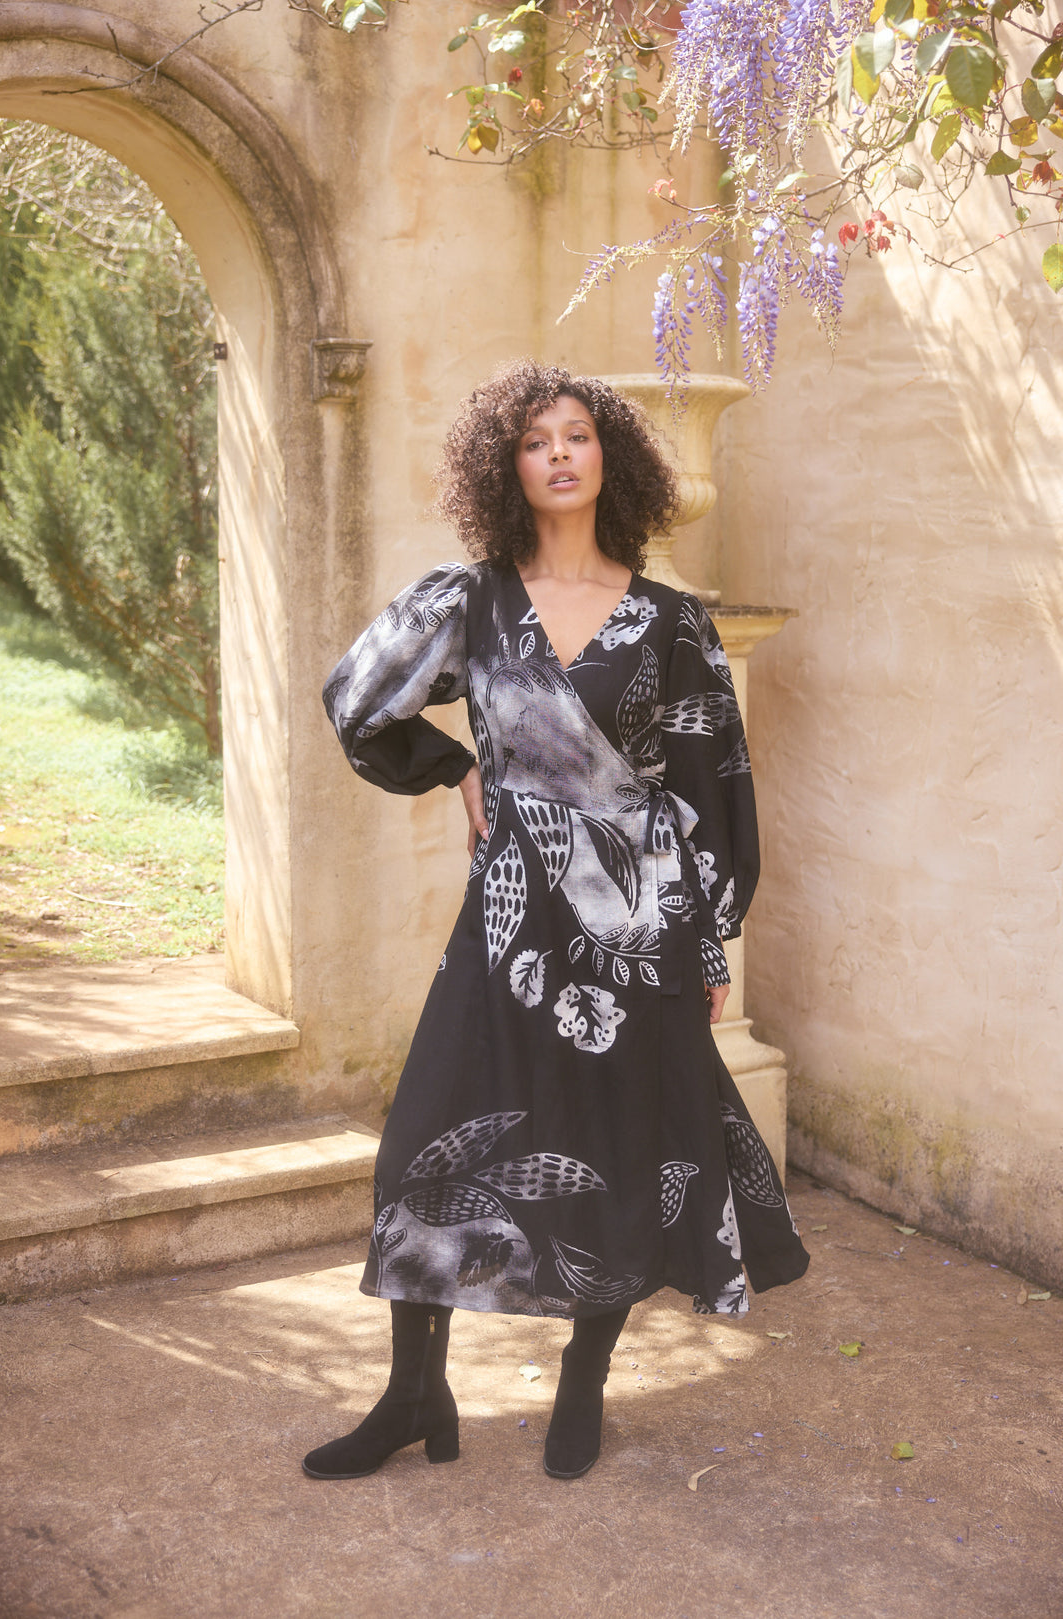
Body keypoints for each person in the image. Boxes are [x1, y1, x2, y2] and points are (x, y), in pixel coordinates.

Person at [306, 360, 809, 1483]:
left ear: (611, 458)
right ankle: (411, 1393)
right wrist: (453, 768)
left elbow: (714, 786)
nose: (561, 454)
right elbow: (357, 694)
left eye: (579, 435)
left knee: (614, 1153)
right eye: (538, 441)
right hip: (508, 923)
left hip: (637, 927)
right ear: (508, 467)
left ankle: (585, 1377)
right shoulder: (470, 599)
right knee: (424, 1147)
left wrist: (710, 933)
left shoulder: (673, 620)